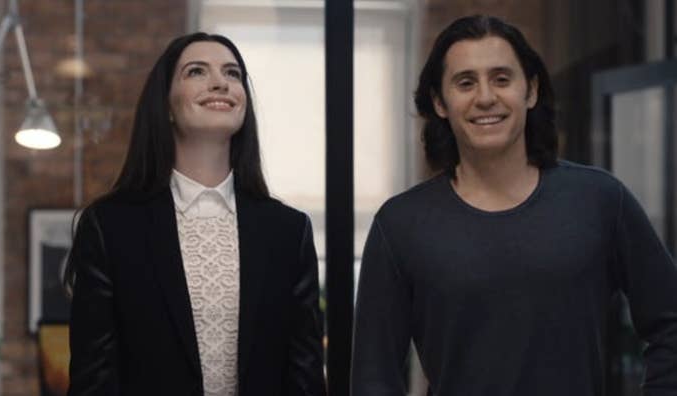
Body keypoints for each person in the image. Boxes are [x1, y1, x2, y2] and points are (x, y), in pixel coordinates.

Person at [351, 15, 677, 396]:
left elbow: (670, 322)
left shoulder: (600, 200)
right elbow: (373, 378)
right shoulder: (401, 225)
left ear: (531, 90)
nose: (486, 97)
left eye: (502, 79)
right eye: (465, 82)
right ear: (440, 102)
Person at [65, 32, 326, 396]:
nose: (220, 82)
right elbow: (93, 381)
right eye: (197, 72)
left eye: (233, 74)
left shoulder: (289, 231)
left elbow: (306, 378)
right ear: (167, 105)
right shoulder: (110, 226)